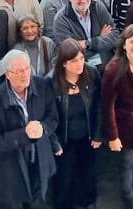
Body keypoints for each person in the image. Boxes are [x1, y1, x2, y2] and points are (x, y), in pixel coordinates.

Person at [0, 50, 58, 209]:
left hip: (40, 158)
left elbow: (53, 118)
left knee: (39, 201)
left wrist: (42, 128)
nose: (25, 75)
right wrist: (23, 135)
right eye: (19, 71)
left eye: (27, 69)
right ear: (7, 74)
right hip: (13, 166)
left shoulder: (42, 85)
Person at [50, 38, 102, 209]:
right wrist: (55, 143)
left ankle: (87, 202)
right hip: (64, 140)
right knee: (65, 178)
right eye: (74, 61)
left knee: (88, 174)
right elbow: (47, 115)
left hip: (88, 137)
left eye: (81, 58)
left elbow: (100, 105)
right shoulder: (52, 81)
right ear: (63, 63)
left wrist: (98, 133)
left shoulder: (92, 73)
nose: (80, 64)